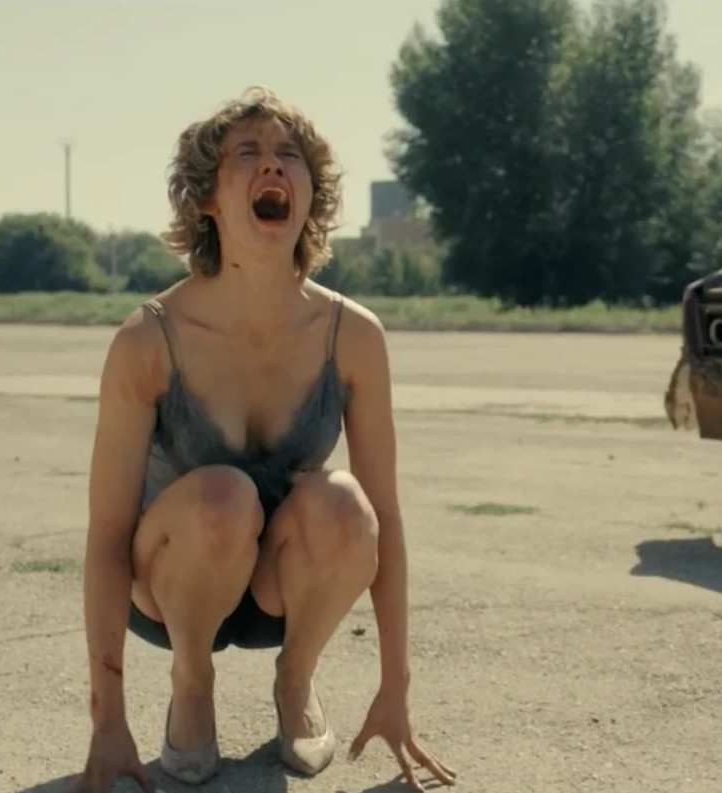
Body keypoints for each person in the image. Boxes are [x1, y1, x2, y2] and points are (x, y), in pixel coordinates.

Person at [67, 87, 457, 793]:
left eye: (289, 155)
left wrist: (396, 688)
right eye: (247, 152)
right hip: (168, 591)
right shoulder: (148, 339)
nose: (272, 165)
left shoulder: (352, 335)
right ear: (206, 199)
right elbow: (106, 535)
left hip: (283, 591)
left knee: (347, 505)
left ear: (310, 195)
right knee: (223, 497)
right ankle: (192, 683)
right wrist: (107, 717)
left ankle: (295, 679)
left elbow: (387, 521)